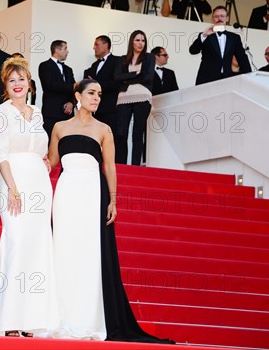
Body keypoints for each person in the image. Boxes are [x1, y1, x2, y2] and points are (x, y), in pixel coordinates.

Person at [47, 79, 173, 343]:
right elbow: (52, 162)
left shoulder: (104, 129)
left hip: (93, 193)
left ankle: (89, 317)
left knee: (90, 253)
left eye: (100, 94)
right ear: (78, 95)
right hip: (66, 194)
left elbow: (110, 168)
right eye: (91, 93)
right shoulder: (59, 127)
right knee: (63, 250)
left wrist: (113, 200)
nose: (96, 98)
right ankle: (58, 315)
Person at [0, 57, 58, 338]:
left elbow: (41, 147)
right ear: (6, 86)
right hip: (13, 183)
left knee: (37, 250)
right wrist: (13, 188)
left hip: (40, 185)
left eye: (22, 79)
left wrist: (46, 163)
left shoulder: (38, 112)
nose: (18, 85)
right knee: (17, 246)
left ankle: (31, 320)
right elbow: (1, 154)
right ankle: (10, 321)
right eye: (12, 80)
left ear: (30, 83)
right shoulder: (0, 112)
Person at [113, 30, 155, 166]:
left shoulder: (149, 57)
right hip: (123, 97)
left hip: (143, 96)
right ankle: (120, 165)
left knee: (137, 134)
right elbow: (117, 78)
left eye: (143, 40)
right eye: (137, 40)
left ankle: (135, 166)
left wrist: (127, 78)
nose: (140, 43)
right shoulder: (122, 59)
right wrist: (135, 74)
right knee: (120, 133)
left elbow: (148, 77)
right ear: (132, 41)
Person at [190, 6, 251, 85]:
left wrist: (249, 77)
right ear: (212, 19)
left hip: (227, 79)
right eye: (216, 16)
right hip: (206, 79)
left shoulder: (234, 38)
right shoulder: (205, 35)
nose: (219, 18)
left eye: (222, 16)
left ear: (227, 18)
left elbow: (242, 58)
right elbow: (193, 51)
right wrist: (204, 36)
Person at [38, 40, 75, 140]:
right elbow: (50, 85)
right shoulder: (44, 66)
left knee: (67, 143)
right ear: (57, 50)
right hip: (51, 113)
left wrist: (71, 103)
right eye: (65, 48)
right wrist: (73, 86)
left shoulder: (68, 69)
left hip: (68, 115)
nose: (67, 51)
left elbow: (74, 91)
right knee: (50, 143)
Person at [83, 35, 120, 131]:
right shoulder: (94, 65)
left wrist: (96, 85)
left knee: (112, 139)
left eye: (96, 45)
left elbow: (116, 83)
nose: (94, 47)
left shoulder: (118, 61)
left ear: (105, 45)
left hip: (111, 109)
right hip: (95, 111)